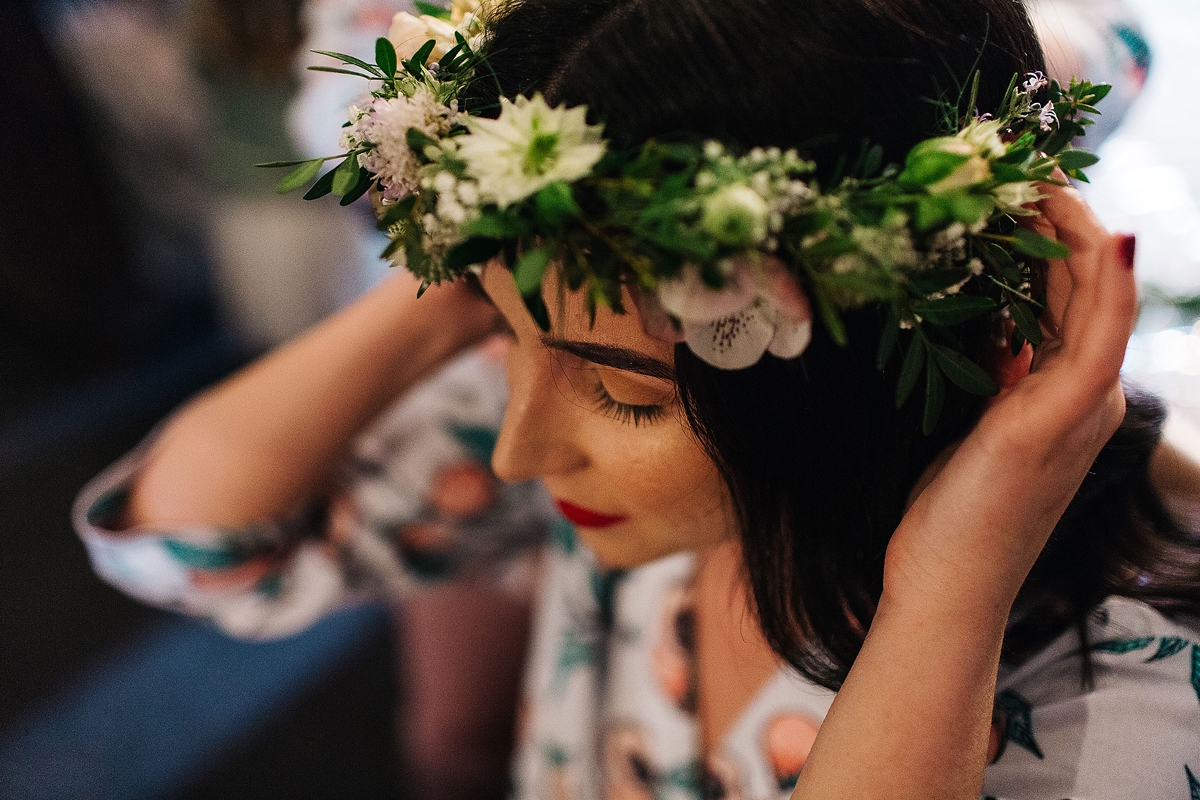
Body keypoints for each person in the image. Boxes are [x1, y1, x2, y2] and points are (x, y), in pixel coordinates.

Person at [74, 0, 1200, 798]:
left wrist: (948, 588)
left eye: (622, 391)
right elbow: (192, 539)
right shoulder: (665, 497)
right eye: (512, 342)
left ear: (861, 364)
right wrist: (477, 277)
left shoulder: (1125, 716)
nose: (520, 449)